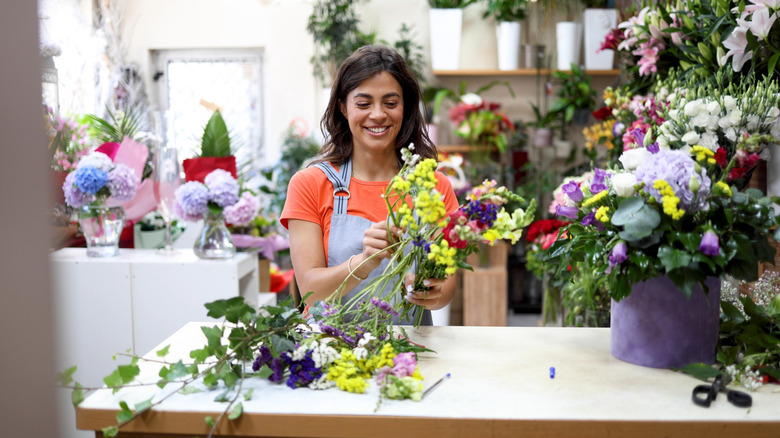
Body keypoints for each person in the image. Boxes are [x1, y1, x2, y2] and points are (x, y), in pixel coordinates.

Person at [280, 45, 459, 325]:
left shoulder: (432, 186)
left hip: (409, 354)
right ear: (343, 106)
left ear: (406, 107)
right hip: (332, 353)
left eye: (390, 103)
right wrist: (363, 261)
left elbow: (446, 289)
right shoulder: (309, 184)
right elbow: (310, 294)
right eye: (363, 104)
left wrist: (428, 290)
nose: (377, 115)